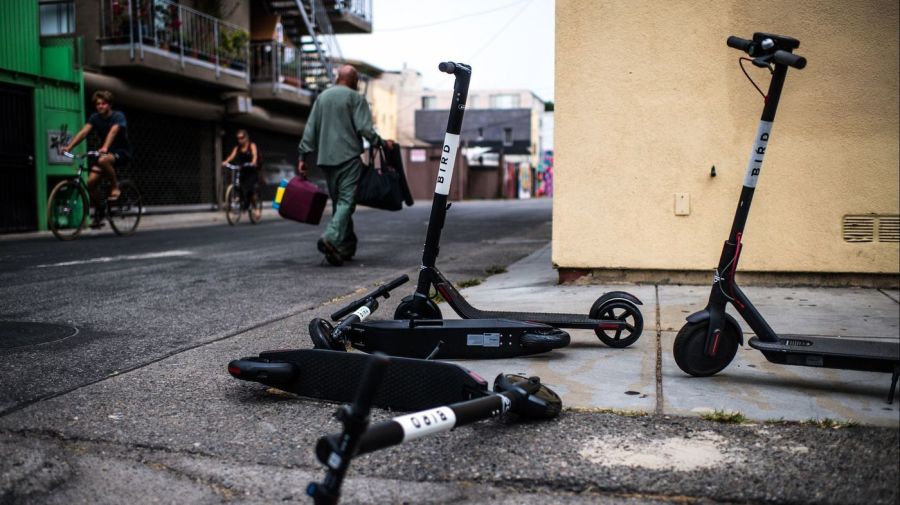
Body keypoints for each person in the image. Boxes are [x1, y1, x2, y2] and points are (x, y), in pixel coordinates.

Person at [297, 64, 394, 266]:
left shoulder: (322, 97)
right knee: (346, 202)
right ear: (353, 80)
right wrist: (382, 143)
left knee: (339, 203)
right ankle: (331, 237)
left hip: (326, 160)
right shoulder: (356, 98)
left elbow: (310, 129)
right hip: (348, 158)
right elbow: (365, 128)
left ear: (338, 78)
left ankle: (345, 246)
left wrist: (302, 157)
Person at [63, 90, 132, 203]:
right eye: (98, 104)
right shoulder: (95, 118)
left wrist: (105, 147)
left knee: (103, 160)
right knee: (90, 183)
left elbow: (113, 131)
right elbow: (84, 132)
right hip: (104, 153)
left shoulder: (118, 116)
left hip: (121, 152)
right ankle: (102, 208)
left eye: (103, 103)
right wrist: (69, 147)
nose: (100, 106)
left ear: (110, 105)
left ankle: (115, 187)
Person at [222, 129, 260, 209]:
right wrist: (226, 162)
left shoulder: (251, 145)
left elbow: (254, 155)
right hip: (243, 170)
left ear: (246, 137)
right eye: (238, 138)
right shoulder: (237, 148)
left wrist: (253, 162)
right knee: (240, 186)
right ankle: (242, 201)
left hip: (251, 171)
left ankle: (255, 207)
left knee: (250, 190)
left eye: (242, 137)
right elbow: (231, 156)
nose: (240, 140)